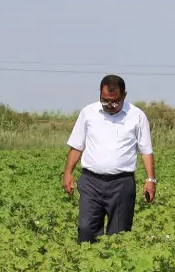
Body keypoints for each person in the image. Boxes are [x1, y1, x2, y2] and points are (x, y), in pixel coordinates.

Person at [63, 74, 155, 243]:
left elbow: (146, 150)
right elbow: (76, 146)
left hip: (122, 184)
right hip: (91, 182)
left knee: (118, 237)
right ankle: (87, 267)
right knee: (86, 232)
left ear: (124, 96)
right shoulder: (88, 113)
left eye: (115, 101)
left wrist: (150, 179)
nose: (110, 105)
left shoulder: (137, 116)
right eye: (105, 101)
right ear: (99, 94)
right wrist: (68, 173)